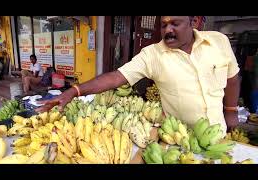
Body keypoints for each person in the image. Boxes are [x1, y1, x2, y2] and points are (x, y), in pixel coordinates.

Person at [36, 16, 240, 134]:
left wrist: (230, 111)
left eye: (175, 24)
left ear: (194, 21)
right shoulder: (152, 55)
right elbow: (116, 77)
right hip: (177, 137)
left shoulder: (219, 41)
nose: (167, 30)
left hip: (217, 131)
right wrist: (74, 91)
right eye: (163, 24)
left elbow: (232, 78)